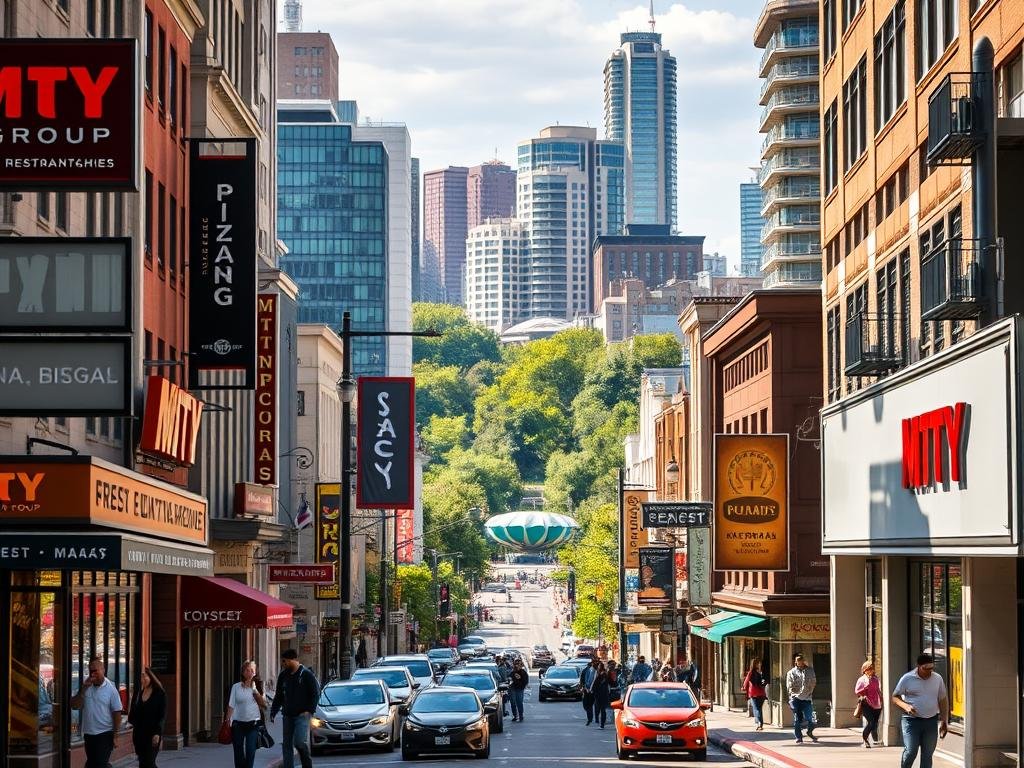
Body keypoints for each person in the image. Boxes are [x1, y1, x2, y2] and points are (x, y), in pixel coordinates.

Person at [892, 653, 948, 768]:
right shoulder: (907, 678)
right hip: (911, 721)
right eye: (925, 668)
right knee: (911, 751)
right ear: (918, 666)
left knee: (927, 755)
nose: (928, 671)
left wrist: (944, 721)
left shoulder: (937, 678)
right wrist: (906, 706)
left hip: (931, 721)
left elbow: (942, 700)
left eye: (931, 668)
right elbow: (895, 697)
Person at [270, 649, 320, 768]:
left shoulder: (306, 674)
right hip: (287, 715)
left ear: (292, 660)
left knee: (299, 742)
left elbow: (315, 694)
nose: (283, 664)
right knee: (287, 744)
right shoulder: (283, 675)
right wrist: (273, 711)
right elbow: (279, 695)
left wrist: (309, 710)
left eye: (284, 661)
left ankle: (307, 764)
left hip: (302, 715)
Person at [70, 656, 123, 768]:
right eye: (91, 671)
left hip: (105, 733)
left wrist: (116, 735)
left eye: (96, 671)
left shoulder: (111, 689)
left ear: (103, 670)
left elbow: (117, 713)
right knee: (92, 763)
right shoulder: (86, 685)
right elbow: (75, 706)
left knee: (99, 763)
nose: (93, 674)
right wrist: (83, 688)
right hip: (89, 733)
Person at [225, 660, 268, 768]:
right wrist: (227, 720)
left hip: (253, 723)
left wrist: (255, 690)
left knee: (250, 750)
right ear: (243, 672)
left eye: (252, 671)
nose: (249, 673)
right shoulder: (236, 687)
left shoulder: (258, 686)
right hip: (238, 723)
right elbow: (231, 704)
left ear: (255, 673)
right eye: (247, 670)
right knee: (238, 751)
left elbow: (264, 705)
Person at [128, 667, 167, 768]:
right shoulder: (138, 694)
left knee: (149, 762)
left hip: (153, 734)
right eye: (141, 677)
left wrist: (157, 733)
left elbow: (162, 715)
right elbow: (131, 716)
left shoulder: (159, 694)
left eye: (145, 676)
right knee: (142, 763)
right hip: (139, 735)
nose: (143, 679)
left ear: (152, 677)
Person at [786, 653, 818, 744]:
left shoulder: (810, 671)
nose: (800, 662)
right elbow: (789, 686)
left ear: (803, 661)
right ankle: (799, 737)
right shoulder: (791, 672)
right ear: (795, 662)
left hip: (807, 698)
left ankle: (809, 731)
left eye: (801, 660)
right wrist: (793, 694)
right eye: (798, 661)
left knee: (810, 719)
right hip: (796, 698)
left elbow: (813, 682)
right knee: (797, 719)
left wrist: (809, 691)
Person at [855, 660, 883, 748]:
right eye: (869, 668)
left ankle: (875, 739)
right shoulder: (862, 680)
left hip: (877, 704)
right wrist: (865, 688)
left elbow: (878, 690)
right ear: (865, 670)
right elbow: (857, 691)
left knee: (875, 723)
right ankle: (865, 739)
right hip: (866, 703)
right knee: (871, 722)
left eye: (872, 668)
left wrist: (881, 698)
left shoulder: (875, 679)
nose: (871, 670)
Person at [741, 658, 768, 732]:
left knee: (757, 709)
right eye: (758, 663)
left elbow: (746, 681)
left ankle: (759, 724)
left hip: (754, 694)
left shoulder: (751, 672)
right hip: (761, 693)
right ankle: (759, 722)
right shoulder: (761, 672)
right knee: (758, 709)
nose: (759, 664)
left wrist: (743, 688)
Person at [593, 662, 612, 729]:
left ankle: (601, 724)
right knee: (602, 710)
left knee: (600, 709)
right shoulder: (606, 675)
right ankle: (602, 724)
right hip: (604, 694)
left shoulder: (600, 676)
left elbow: (595, 685)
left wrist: (594, 692)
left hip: (599, 695)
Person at [581, 658, 599, 725]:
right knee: (587, 705)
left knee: (596, 706)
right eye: (594, 663)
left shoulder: (599, 671)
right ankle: (590, 718)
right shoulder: (586, 670)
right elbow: (583, 680)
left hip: (595, 691)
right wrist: (584, 688)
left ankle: (594, 719)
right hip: (587, 690)